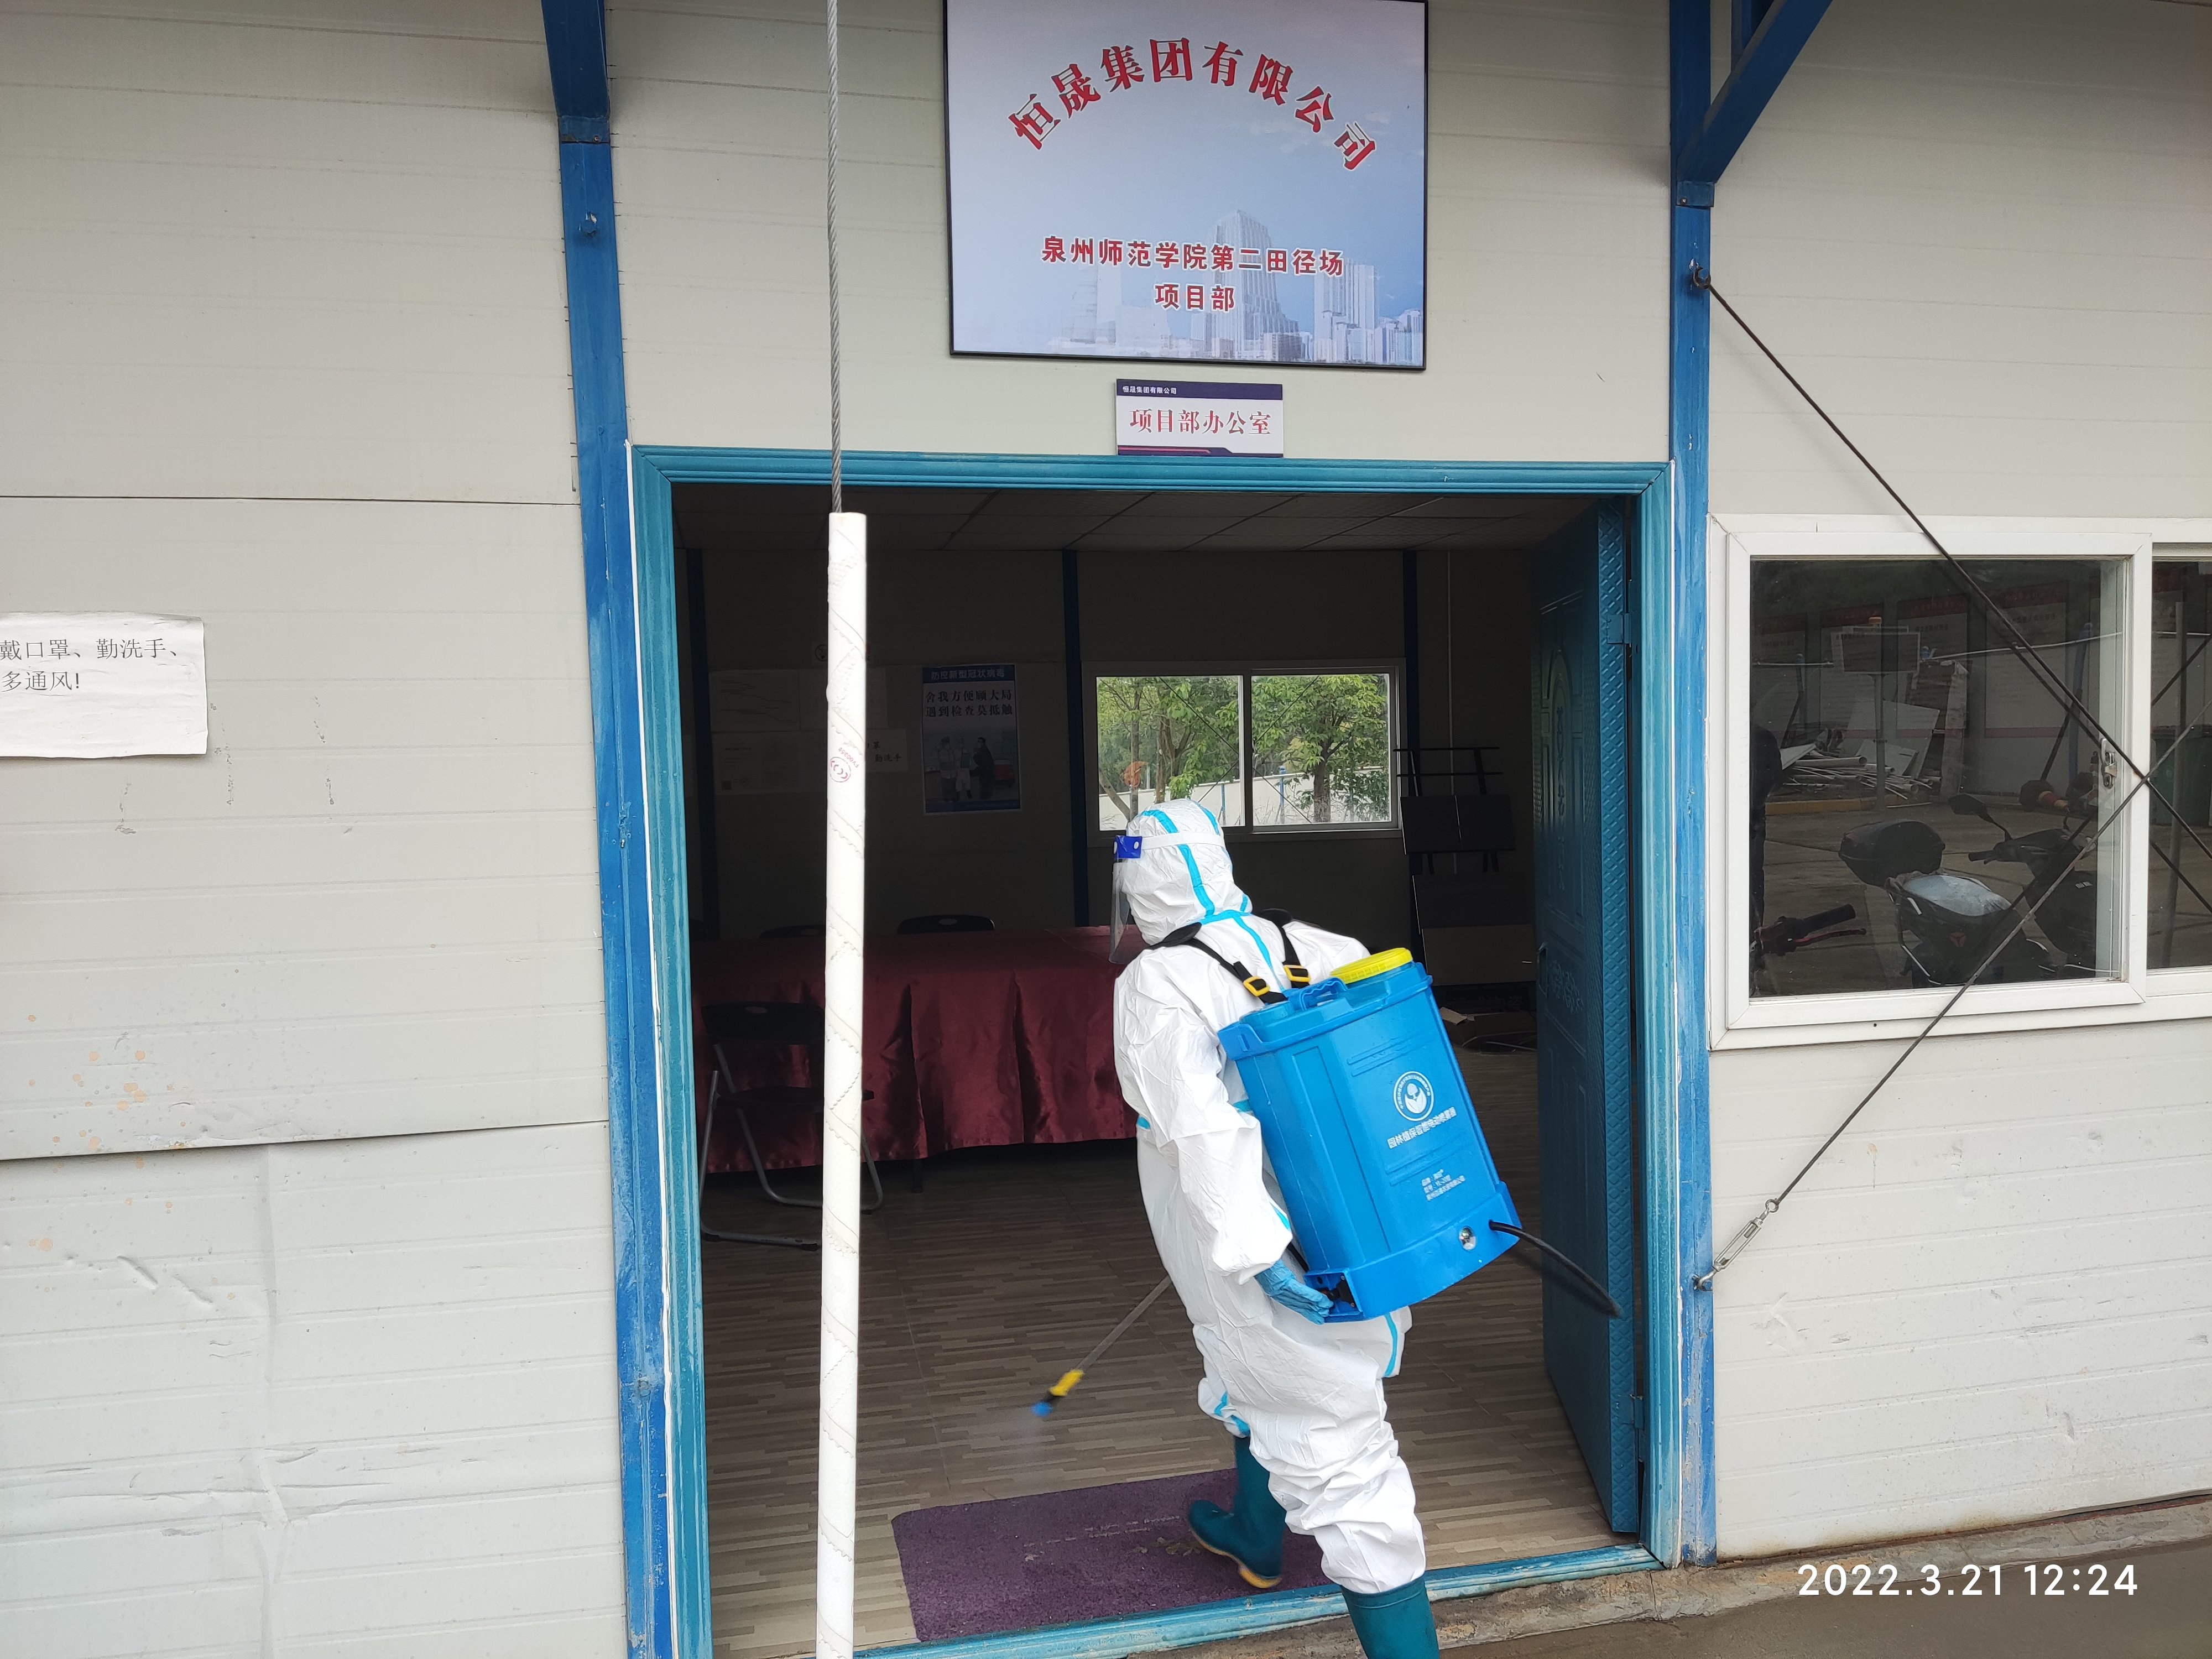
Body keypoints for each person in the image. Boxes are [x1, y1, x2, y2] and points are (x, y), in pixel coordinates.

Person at [1110, 799, 1438, 1659]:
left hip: (1259, 1239)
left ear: (1135, 885)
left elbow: (1200, 1131)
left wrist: (1260, 1255)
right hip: (1366, 1222)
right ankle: (1256, 1533)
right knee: (1250, 1374)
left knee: (1341, 1456)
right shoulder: (1328, 946)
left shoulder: (1156, 984)